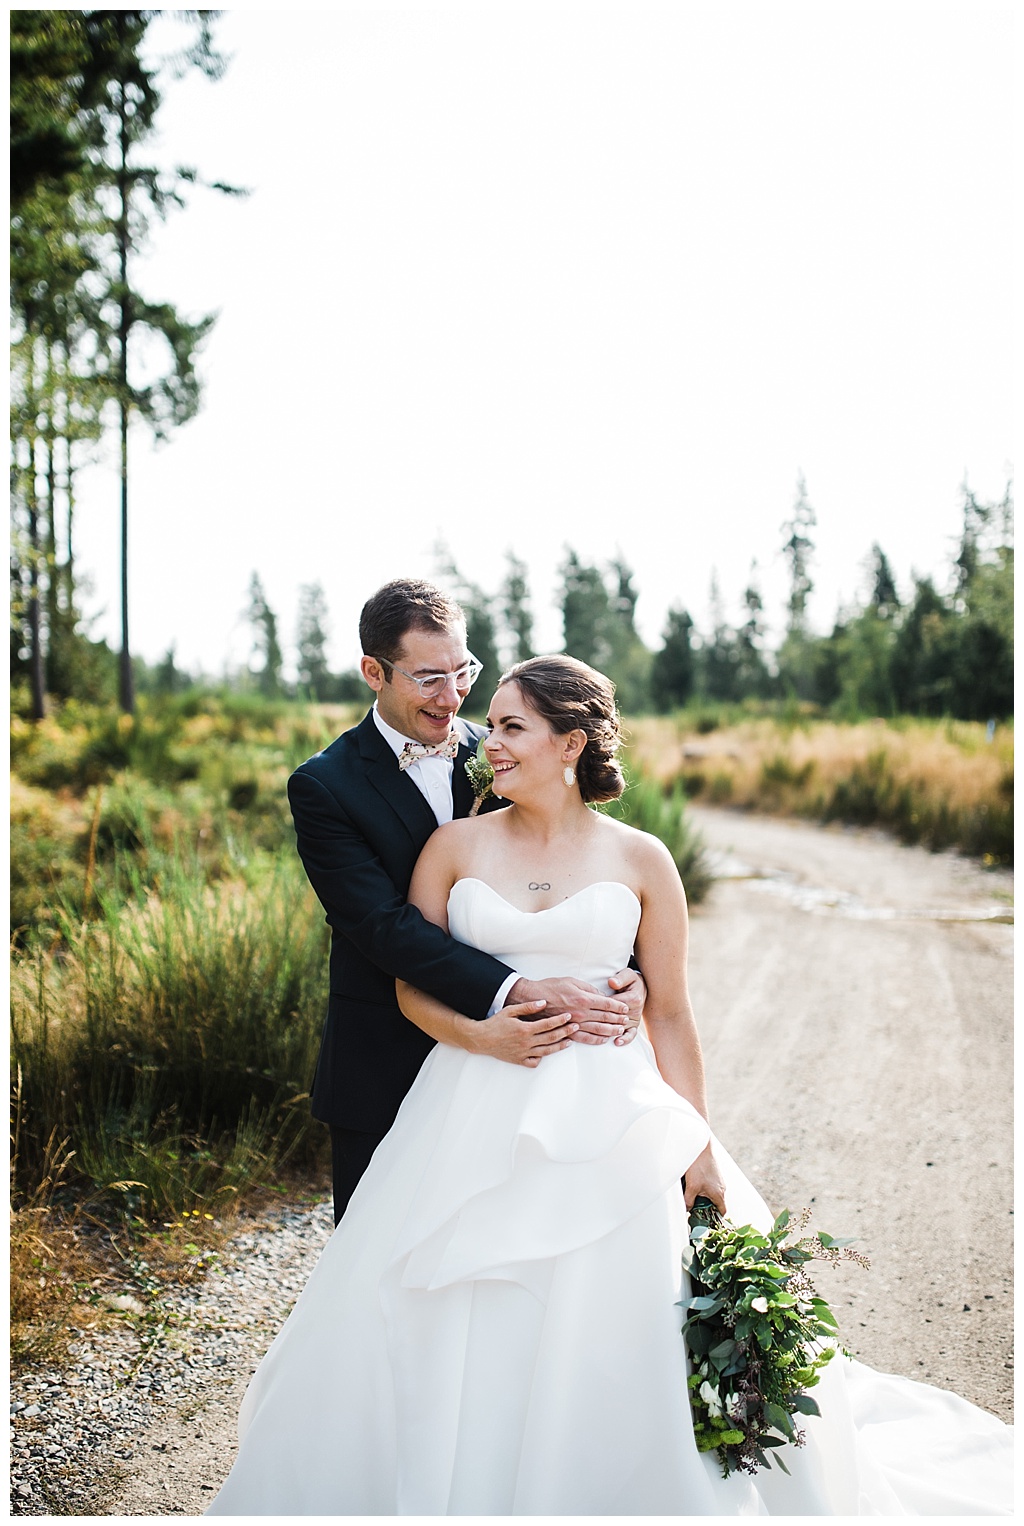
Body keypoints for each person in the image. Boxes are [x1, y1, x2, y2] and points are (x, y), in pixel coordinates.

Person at [210, 656, 1011, 1515]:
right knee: (441, 1316)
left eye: (513, 727)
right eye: (495, 725)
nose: (491, 744)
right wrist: (483, 1033)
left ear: (572, 744)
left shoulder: (643, 858)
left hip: (612, 1120)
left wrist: (697, 1145)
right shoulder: (453, 847)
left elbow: (669, 1014)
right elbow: (411, 987)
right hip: (469, 1105)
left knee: (619, 1324)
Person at [286, 579, 645, 1223]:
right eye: (428, 678)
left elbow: (585, 865)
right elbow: (383, 927)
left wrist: (624, 977)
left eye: (463, 672)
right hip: (386, 1058)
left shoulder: (502, 750)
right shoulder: (324, 786)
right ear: (375, 671)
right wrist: (523, 989)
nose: (453, 698)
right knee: (380, 1267)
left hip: (526, 1070)